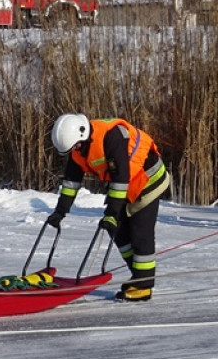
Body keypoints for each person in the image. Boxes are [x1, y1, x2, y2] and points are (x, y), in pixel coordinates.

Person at [47, 113, 170, 302]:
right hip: (127, 186)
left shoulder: (112, 136)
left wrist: (112, 213)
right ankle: (138, 275)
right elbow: (71, 182)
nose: (75, 150)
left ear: (83, 135)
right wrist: (60, 212)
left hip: (147, 181)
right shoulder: (78, 148)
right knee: (118, 231)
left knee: (140, 232)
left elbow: (120, 179)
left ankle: (144, 286)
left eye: (76, 146)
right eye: (72, 149)